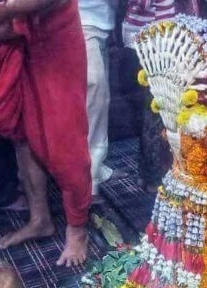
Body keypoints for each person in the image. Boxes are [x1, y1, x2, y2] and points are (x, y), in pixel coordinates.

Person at [0, 0, 91, 266]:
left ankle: (77, 231)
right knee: (23, 134)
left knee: (66, 144)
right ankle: (40, 220)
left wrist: (6, 11)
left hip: (55, 45)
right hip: (17, 39)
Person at [121, 0, 198, 193]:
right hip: (153, 39)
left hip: (164, 36)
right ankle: (155, 178)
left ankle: (153, 173)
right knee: (157, 110)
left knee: (159, 109)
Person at [78, 0, 127, 200]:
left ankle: (95, 169)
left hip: (98, 24)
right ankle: (86, 183)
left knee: (100, 101)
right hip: (80, 24)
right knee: (92, 101)